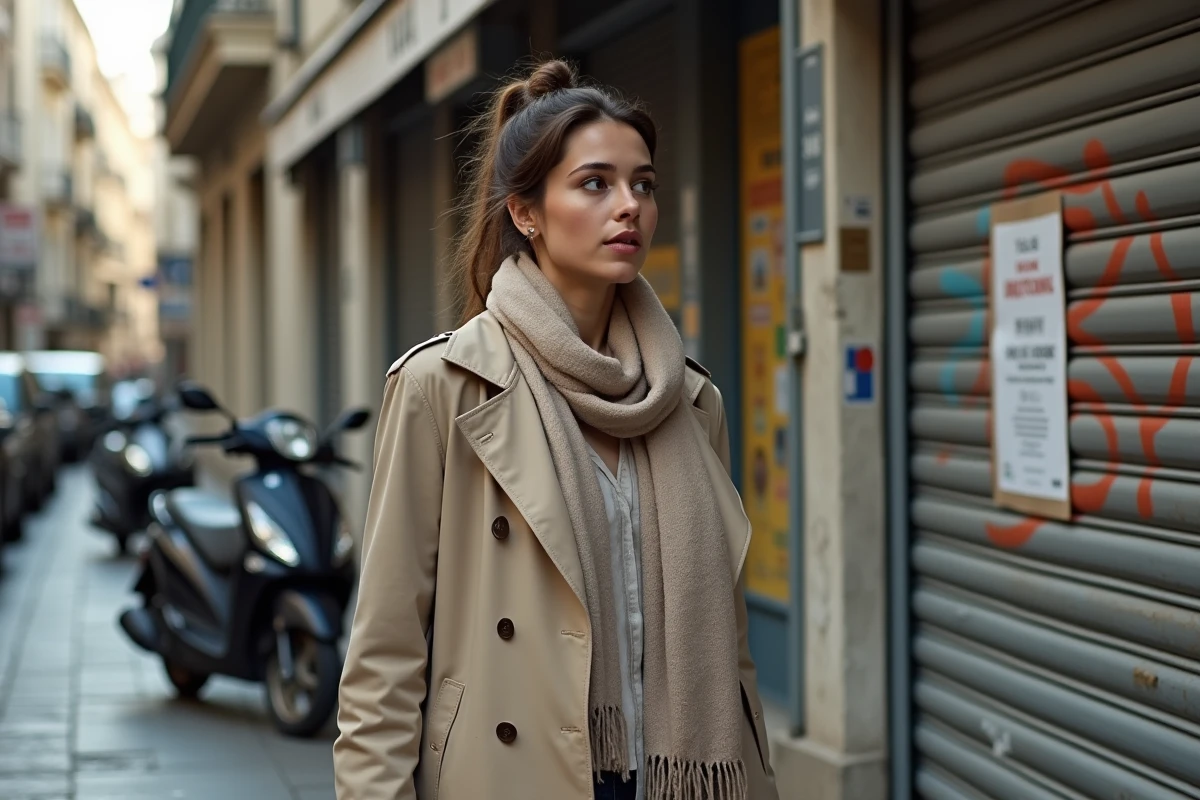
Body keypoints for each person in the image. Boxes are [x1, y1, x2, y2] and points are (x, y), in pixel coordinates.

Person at [333, 59, 778, 800]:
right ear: (525, 213)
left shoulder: (691, 401)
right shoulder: (443, 387)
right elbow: (385, 650)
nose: (629, 206)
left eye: (643, 185)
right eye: (595, 184)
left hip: (678, 776)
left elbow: (728, 647)